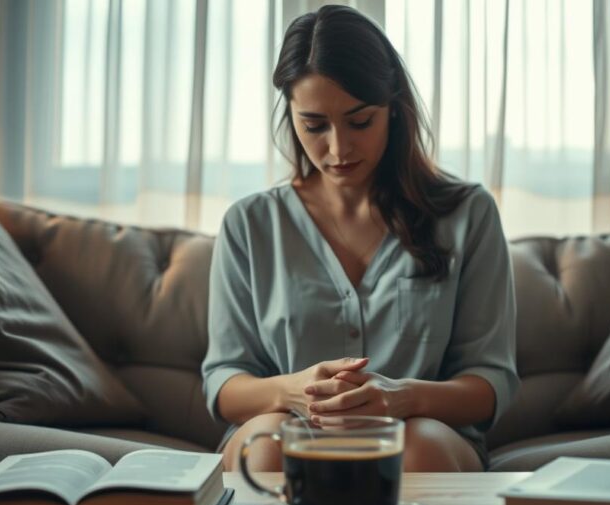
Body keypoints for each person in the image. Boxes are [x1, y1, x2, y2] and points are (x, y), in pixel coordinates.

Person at [201, 5, 518, 473]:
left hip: (417, 436)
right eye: (314, 126)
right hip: (288, 434)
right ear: (290, 115)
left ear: (394, 110)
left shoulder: (468, 215)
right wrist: (292, 391)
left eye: (360, 121)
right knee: (262, 448)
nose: (338, 148)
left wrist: (403, 398)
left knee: (421, 448)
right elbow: (224, 381)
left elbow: (491, 382)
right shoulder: (249, 224)